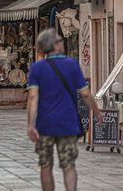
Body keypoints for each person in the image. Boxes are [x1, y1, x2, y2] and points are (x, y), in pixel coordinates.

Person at [27, 29, 102, 191]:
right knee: (68, 165)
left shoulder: (37, 68)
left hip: (44, 125)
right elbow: (85, 94)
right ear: (55, 45)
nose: (63, 42)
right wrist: (96, 112)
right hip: (67, 124)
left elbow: (33, 98)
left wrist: (30, 125)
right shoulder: (72, 65)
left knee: (45, 165)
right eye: (60, 40)